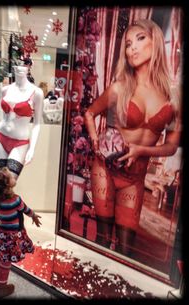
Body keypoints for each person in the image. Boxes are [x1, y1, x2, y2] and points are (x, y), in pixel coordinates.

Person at [84, 19, 181, 257]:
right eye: (128, 44)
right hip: (105, 168)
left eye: (140, 39)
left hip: (135, 178)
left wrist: (141, 150)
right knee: (103, 240)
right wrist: (96, 140)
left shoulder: (173, 95)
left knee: (127, 249)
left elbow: (171, 147)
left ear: (155, 42)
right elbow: (89, 113)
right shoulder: (119, 87)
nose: (132, 49)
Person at [0, 167, 42, 298]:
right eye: (11, 177)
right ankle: (1, 288)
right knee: (6, 262)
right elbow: (26, 210)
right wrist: (34, 216)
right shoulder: (15, 200)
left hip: (1, 234)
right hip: (12, 237)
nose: (14, 177)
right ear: (6, 185)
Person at [0, 57, 44, 179]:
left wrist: (32, 149)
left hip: (20, 143)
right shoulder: (6, 90)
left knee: (9, 181)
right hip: (1, 139)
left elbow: (37, 124)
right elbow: (3, 120)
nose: (20, 68)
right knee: (1, 182)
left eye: (24, 65)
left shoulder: (36, 93)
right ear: (13, 67)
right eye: (18, 64)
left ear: (28, 68)